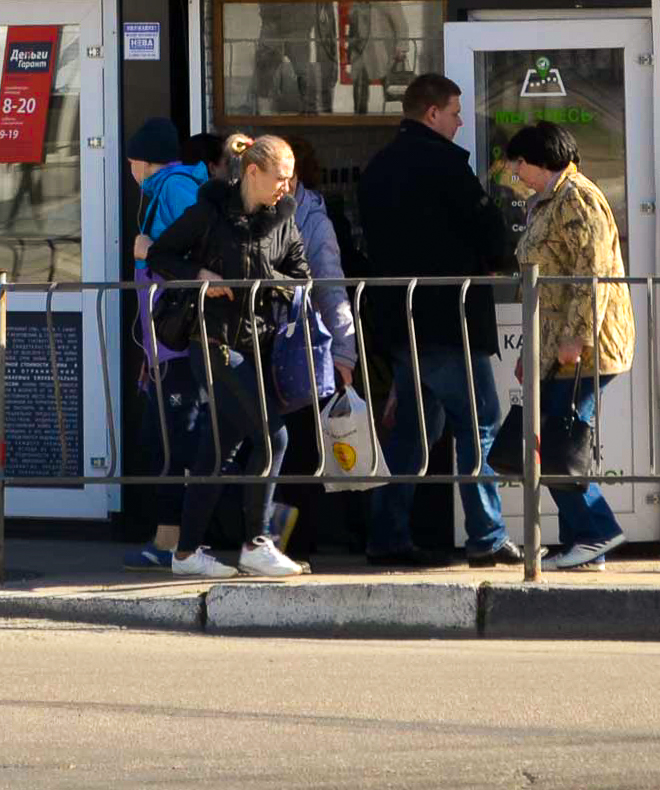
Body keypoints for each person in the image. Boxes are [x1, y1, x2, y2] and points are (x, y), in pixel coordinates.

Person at [357, 74, 521, 570]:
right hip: (450, 322)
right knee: (480, 422)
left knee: (413, 432)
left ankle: (387, 535)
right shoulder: (447, 165)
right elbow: (489, 232)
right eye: (454, 112)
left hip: (401, 322)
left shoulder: (377, 167)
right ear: (432, 113)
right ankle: (487, 535)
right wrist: (500, 259)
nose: (459, 122)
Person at [148, 134, 309, 579]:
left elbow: (301, 275)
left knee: (218, 448)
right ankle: (257, 542)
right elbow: (161, 254)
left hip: (258, 344)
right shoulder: (210, 212)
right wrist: (199, 273)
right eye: (280, 177)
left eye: (290, 178)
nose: (287, 187)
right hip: (212, 341)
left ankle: (185, 554)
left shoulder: (283, 219)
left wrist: (264, 279)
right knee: (273, 436)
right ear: (253, 172)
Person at [505, 121, 637, 572]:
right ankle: (584, 543)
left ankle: (595, 531)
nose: (516, 173)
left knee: (559, 445)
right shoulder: (552, 200)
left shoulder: (577, 197)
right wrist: (533, 351)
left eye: (519, 163)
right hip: (560, 346)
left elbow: (592, 271)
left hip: (587, 349)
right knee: (555, 441)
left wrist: (576, 337)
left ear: (539, 160)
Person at [121, 117, 211, 569]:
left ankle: (173, 542)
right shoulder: (167, 188)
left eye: (131, 162)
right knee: (163, 442)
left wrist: (146, 251)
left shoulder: (173, 189)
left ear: (142, 161)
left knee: (174, 444)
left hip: (179, 343)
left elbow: (189, 256)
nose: (130, 171)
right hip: (165, 346)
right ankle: (168, 539)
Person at [268, 137, 363, 557]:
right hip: (268, 346)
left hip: (302, 349)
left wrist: (343, 352)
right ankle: (272, 540)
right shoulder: (260, 210)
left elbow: (330, 286)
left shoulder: (313, 220)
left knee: (301, 447)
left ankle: (294, 543)